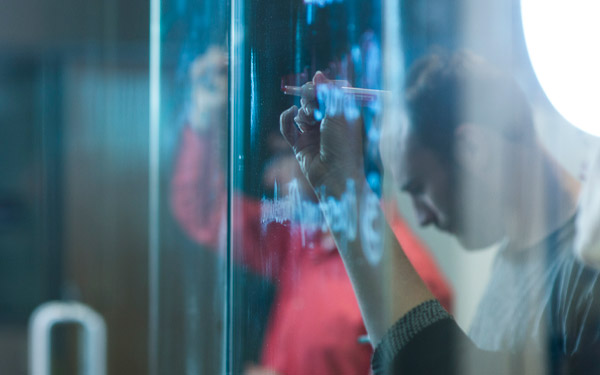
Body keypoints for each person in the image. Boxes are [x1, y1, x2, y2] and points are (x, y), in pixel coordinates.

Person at [280, 50, 600, 374]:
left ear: (474, 149)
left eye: (419, 189)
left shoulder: (588, 274)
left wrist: (341, 183)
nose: (422, 218)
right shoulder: (514, 260)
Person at [171, 47, 453, 375]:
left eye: (282, 159)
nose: (269, 177)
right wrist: (203, 119)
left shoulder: (415, 281)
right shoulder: (304, 242)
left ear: (326, 145)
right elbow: (202, 211)